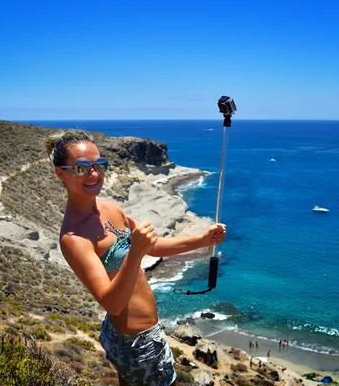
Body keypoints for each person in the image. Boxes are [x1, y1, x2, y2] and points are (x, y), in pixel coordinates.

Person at [45, 130, 227, 386]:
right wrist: (136, 253)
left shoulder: (110, 207)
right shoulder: (74, 239)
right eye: (81, 168)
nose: (94, 174)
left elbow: (152, 247)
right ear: (61, 173)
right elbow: (112, 303)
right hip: (135, 343)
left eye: (99, 165)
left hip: (137, 334)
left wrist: (202, 240)